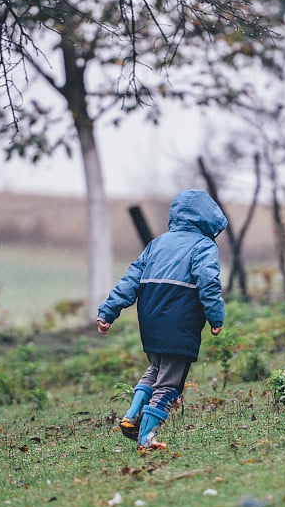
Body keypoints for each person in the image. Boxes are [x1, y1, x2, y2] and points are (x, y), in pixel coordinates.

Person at [96, 189, 228, 451]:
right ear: (210, 220)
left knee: (156, 370)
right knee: (169, 382)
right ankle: (146, 438)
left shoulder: (157, 243)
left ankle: (132, 416)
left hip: (150, 321)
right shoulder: (204, 246)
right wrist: (215, 316)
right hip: (179, 321)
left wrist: (108, 311)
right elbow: (208, 282)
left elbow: (131, 279)